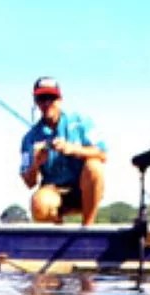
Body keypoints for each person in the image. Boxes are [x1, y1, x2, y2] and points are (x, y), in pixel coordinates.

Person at [20, 77, 107, 225]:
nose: (47, 103)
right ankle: (58, 235)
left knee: (95, 167)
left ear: (60, 99)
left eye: (51, 97)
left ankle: (87, 228)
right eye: (42, 98)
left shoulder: (81, 122)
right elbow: (29, 182)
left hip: (83, 190)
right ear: (36, 101)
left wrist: (73, 149)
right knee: (39, 204)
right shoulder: (29, 138)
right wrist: (36, 163)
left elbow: (102, 154)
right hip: (53, 190)